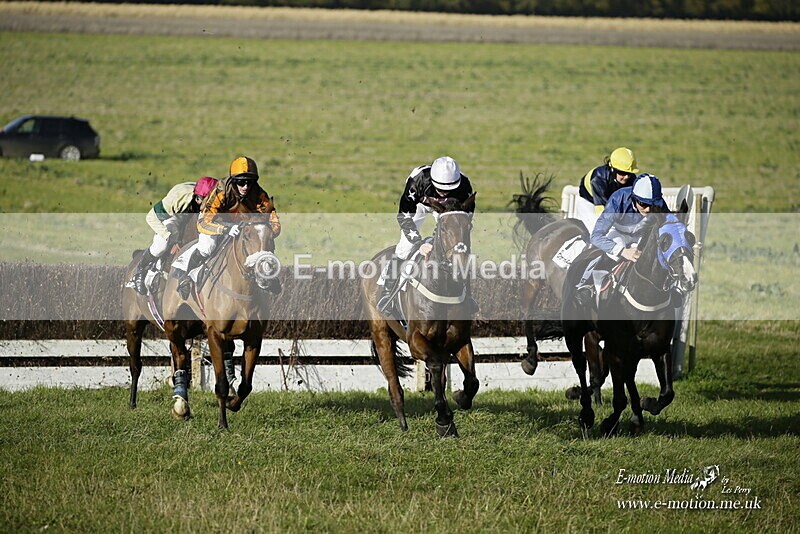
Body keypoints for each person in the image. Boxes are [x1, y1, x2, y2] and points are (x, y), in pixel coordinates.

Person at [377, 156, 475, 314]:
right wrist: (419, 243)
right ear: (433, 181)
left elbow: (465, 222)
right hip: (420, 206)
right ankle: (387, 294)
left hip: (448, 210)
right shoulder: (417, 182)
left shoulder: (464, 187)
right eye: (440, 189)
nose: (443, 193)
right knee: (404, 248)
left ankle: (467, 296)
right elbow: (403, 216)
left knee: (459, 250)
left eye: (448, 190)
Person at [176, 156, 281, 299]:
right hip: (214, 222)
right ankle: (185, 275)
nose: (245, 187)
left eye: (249, 182)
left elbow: (274, 221)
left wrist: (266, 233)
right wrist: (224, 229)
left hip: (244, 225)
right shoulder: (221, 190)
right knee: (208, 246)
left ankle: (268, 277)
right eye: (241, 182)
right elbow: (203, 223)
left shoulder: (259, 194)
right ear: (233, 180)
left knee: (262, 242)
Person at [575, 172, 668, 307]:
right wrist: (622, 251)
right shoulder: (618, 199)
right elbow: (596, 236)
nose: (648, 209)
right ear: (634, 198)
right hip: (617, 231)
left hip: (641, 235)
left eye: (652, 204)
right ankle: (588, 286)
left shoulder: (658, 204)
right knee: (616, 254)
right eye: (643, 204)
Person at [131, 176, 218, 295]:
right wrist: (171, 239)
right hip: (176, 215)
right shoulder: (178, 197)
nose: (208, 206)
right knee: (162, 244)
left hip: (199, 216)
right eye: (205, 202)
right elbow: (150, 217)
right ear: (197, 198)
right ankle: (140, 270)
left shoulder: (218, 199)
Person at [575, 147, 640, 233]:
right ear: (612, 169)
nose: (626, 177)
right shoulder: (598, 178)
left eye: (629, 173)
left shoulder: (631, 179)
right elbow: (601, 211)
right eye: (622, 173)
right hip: (589, 202)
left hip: (608, 201)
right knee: (598, 231)